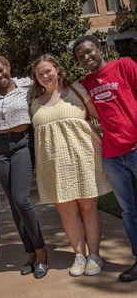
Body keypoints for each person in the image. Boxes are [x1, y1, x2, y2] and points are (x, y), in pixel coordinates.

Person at [30, 54, 111, 277]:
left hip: (83, 158)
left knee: (88, 208)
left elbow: (99, 117)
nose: (45, 76)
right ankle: (79, 255)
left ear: (57, 69)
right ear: (35, 78)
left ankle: (94, 255)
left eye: (48, 71)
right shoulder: (35, 102)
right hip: (53, 166)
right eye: (40, 74)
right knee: (66, 212)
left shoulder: (76, 90)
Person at [73, 35, 137, 282]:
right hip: (112, 155)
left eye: (89, 51)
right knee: (129, 211)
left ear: (100, 49)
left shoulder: (124, 65)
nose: (87, 57)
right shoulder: (86, 84)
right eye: (81, 57)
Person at [0, 54, 47, 279]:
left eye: (2, 70)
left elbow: (49, 88)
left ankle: (41, 252)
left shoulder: (28, 86)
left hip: (22, 145)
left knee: (22, 200)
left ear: (9, 67)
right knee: (13, 204)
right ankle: (30, 254)